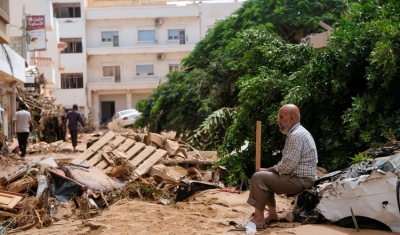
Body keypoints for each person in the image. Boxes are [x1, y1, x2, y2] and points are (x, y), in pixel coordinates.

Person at [246, 104, 318, 228]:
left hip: (301, 180)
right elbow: (287, 165)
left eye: (281, 117)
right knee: (265, 177)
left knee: (259, 178)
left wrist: (269, 170)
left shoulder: (296, 135)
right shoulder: (299, 132)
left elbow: (287, 166)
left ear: (292, 119)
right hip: (302, 178)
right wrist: (271, 171)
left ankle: (258, 219)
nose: (278, 120)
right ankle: (273, 214)